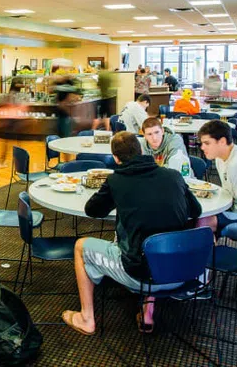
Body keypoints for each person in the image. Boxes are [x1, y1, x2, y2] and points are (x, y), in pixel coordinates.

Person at [62, 131, 202, 335]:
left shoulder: (117, 180)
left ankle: (86, 318)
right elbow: (195, 211)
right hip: (184, 271)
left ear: (116, 158)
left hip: (142, 275)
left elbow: (93, 211)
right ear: (141, 150)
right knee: (156, 235)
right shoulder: (173, 175)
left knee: (81, 246)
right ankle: (148, 310)